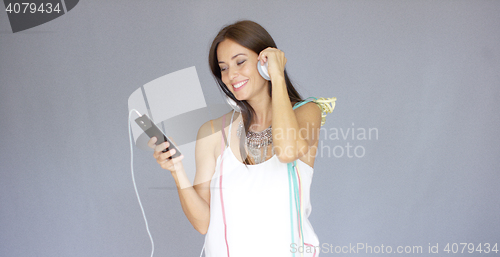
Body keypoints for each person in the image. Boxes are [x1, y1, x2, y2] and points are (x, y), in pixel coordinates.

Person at [148, 20, 335, 257]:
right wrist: (177, 171)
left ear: (265, 61)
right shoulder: (213, 132)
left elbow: (287, 151)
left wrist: (276, 76)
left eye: (240, 62)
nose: (231, 75)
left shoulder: (306, 113)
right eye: (223, 68)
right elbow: (203, 223)